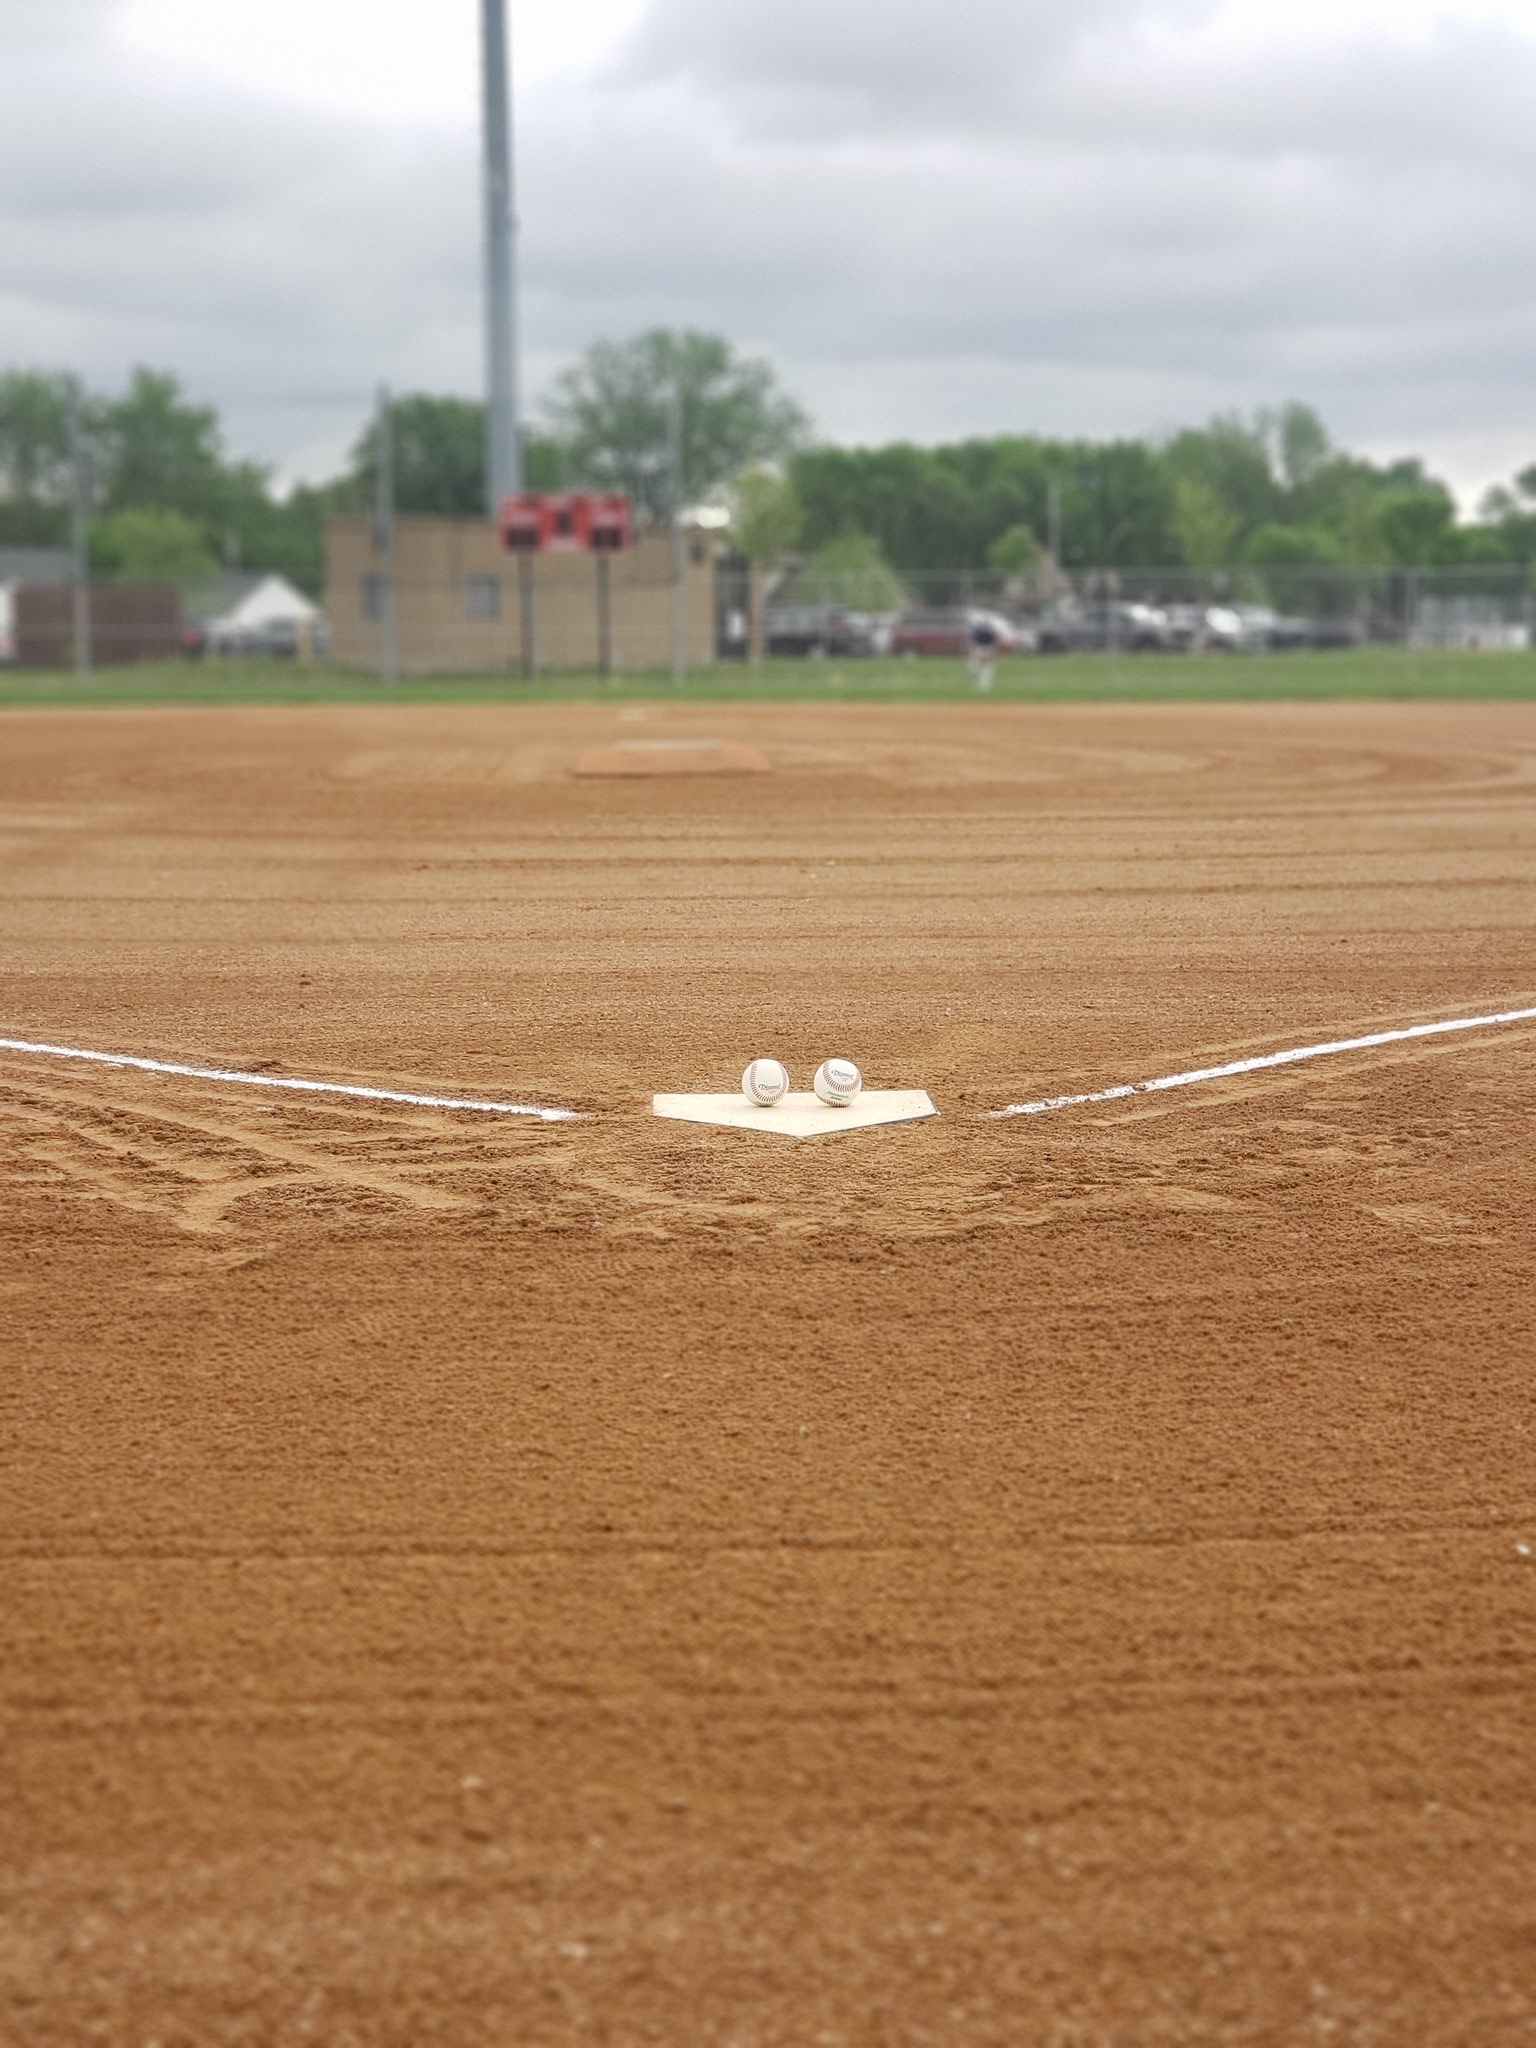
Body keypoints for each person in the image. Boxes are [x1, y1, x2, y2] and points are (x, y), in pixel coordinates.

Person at [968, 614, 1000, 692]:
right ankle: (979, 679)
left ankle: (982, 680)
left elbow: (993, 642)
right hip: (982, 648)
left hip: (984, 648)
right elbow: (974, 642)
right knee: (980, 665)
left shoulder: (982, 632)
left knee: (984, 666)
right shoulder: (981, 632)